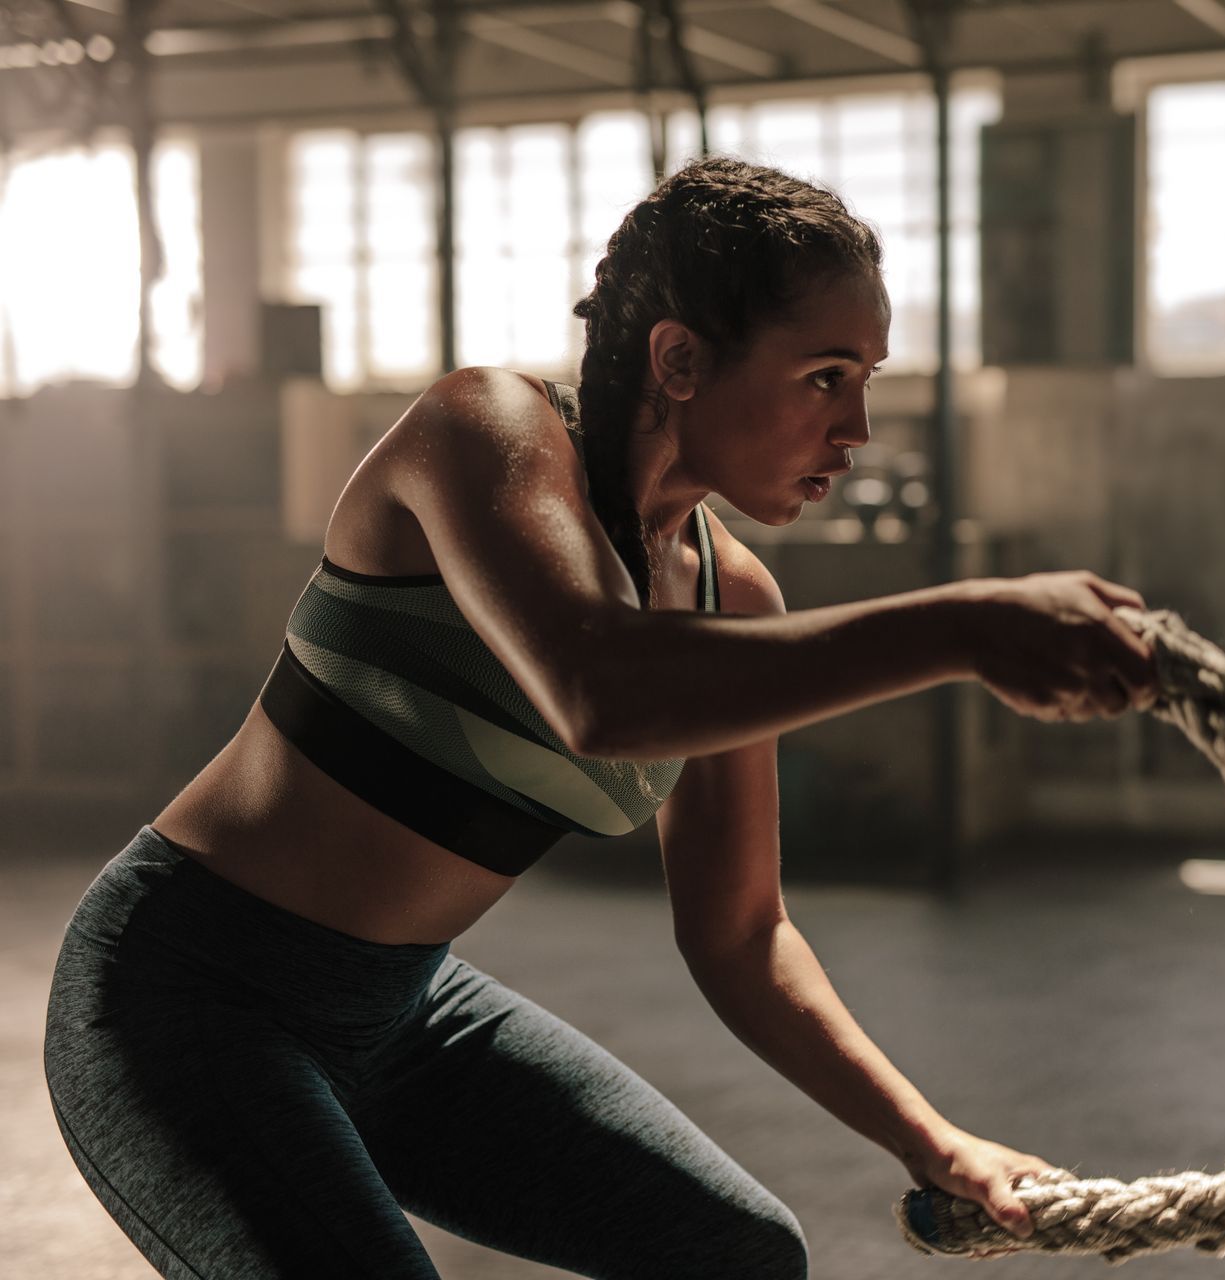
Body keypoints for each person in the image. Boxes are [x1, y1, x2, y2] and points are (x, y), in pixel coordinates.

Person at [42, 156, 1160, 1280]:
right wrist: (963, 629)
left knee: (731, 1252)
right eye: (826, 376)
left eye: (866, 374)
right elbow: (598, 690)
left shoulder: (736, 595)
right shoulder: (485, 429)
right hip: (192, 994)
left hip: (405, 1014)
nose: (858, 425)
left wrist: (935, 1140)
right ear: (678, 359)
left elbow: (741, 933)